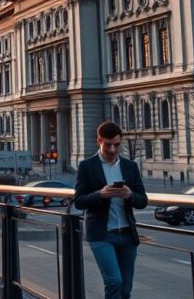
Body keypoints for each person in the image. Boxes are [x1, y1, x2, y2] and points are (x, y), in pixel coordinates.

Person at [74, 121, 148, 299]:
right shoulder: (87, 166)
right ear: (99, 141)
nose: (113, 149)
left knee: (125, 288)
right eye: (108, 145)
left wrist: (130, 195)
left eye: (117, 144)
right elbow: (79, 201)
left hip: (128, 235)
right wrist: (100, 194)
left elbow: (143, 201)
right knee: (114, 281)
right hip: (101, 234)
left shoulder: (130, 167)